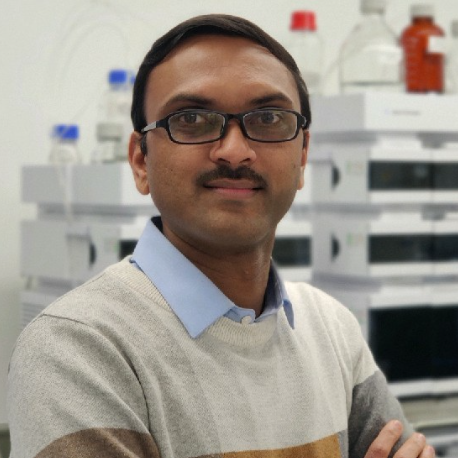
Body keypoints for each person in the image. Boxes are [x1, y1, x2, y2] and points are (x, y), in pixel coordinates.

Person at [7, 14, 434, 458]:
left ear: (303, 155)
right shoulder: (78, 349)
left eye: (268, 118)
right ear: (140, 160)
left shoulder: (332, 329)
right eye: (192, 118)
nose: (234, 151)